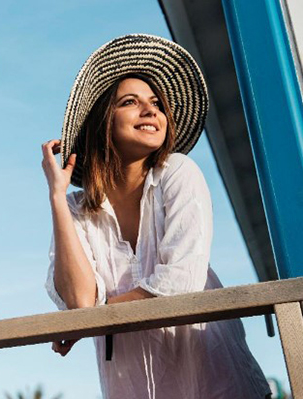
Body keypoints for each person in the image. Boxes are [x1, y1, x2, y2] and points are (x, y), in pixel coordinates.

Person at [41, 34, 271, 399]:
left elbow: (181, 283)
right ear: (103, 121)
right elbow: (80, 302)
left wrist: (90, 322)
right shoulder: (75, 209)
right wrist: (56, 195)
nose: (151, 111)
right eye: (131, 102)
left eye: (157, 103)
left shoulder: (178, 173)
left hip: (215, 385)